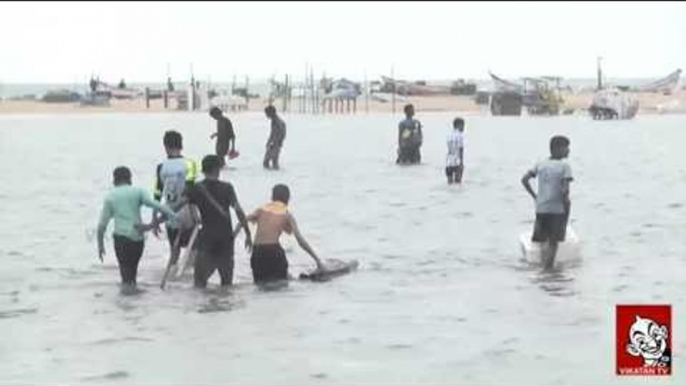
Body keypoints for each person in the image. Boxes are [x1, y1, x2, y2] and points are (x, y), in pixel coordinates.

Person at [97, 166, 177, 288]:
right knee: (132, 271)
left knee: (125, 274)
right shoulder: (139, 191)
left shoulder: (110, 197)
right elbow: (155, 204)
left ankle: (127, 301)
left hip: (121, 239)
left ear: (114, 180)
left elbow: (102, 225)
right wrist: (173, 215)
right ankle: (134, 298)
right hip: (138, 239)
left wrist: (100, 244)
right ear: (130, 179)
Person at [181, 155, 252, 288]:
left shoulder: (197, 188)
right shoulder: (227, 188)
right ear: (217, 169)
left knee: (199, 285)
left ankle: (204, 307)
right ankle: (224, 306)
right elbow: (239, 211)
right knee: (227, 285)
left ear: (204, 170)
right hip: (225, 239)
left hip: (207, 239)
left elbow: (182, 204)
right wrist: (248, 233)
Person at [240, 184, 322, 283]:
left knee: (260, 285)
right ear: (288, 199)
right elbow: (300, 241)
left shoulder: (261, 210)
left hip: (257, 253)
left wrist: (246, 236)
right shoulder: (287, 214)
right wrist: (317, 259)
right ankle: (302, 280)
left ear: (272, 198)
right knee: (281, 284)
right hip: (274, 251)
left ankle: (292, 277)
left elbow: (242, 220)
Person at [521, 135, 573, 270]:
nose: (568, 151)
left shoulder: (540, 164)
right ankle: (549, 271)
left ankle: (543, 270)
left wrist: (535, 196)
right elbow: (565, 190)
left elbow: (524, 180)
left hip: (541, 208)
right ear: (557, 149)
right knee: (553, 243)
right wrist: (566, 207)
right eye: (566, 148)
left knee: (543, 241)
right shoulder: (565, 167)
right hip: (556, 209)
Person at [152, 130, 200, 269]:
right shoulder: (190, 164)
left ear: (165, 146)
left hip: (170, 215)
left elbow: (157, 193)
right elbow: (190, 192)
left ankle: (172, 279)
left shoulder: (161, 167)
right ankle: (187, 281)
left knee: (174, 252)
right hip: (187, 214)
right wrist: (195, 214)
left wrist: (155, 218)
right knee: (194, 250)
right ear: (181, 145)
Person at [263, 105, 286, 170]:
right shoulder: (275, 120)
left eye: (267, 113)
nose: (266, 115)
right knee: (273, 161)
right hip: (275, 143)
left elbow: (279, 133)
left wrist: (273, 143)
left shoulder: (277, 121)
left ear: (271, 113)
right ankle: (275, 177)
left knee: (267, 162)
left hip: (275, 144)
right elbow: (273, 133)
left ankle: (274, 178)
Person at [446, 117, 465, 184]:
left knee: (450, 184)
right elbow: (460, 149)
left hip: (448, 162)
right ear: (459, 125)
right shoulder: (460, 135)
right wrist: (461, 163)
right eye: (463, 125)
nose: (464, 128)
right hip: (457, 162)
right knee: (458, 184)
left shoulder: (448, 135)